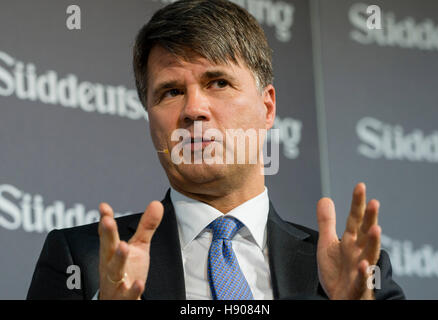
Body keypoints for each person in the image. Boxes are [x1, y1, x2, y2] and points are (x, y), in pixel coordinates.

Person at [27, 0, 405, 300]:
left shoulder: (353, 269)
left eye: (218, 83)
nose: (193, 110)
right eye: (171, 92)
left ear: (267, 107)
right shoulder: (83, 261)